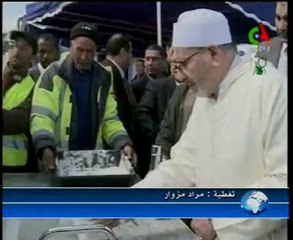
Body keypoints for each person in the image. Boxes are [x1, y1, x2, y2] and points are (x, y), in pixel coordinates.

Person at [134, 9, 287, 240]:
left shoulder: (268, 87)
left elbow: (282, 185)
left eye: (183, 64)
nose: (181, 75)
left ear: (213, 54)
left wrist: (222, 219)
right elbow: (183, 165)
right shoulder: (207, 96)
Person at [30, 22, 134, 173]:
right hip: (59, 160)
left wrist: (123, 143)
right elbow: (42, 116)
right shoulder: (53, 75)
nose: (84, 57)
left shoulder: (104, 77)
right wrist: (45, 146)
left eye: (89, 51)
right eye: (79, 50)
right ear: (70, 47)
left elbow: (110, 119)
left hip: (93, 163)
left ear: (96, 51)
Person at [133, 58, 186, 177]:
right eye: (174, 62)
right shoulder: (160, 87)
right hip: (165, 153)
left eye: (182, 62)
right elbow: (165, 129)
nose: (177, 66)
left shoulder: (202, 90)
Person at [2, 30, 38, 172]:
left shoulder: (35, 85)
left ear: (33, 56)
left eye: (24, 48)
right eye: (13, 46)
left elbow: (18, 121)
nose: (16, 52)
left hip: (16, 167)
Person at [102, 33, 137, 139]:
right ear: (122, 52)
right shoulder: (108, 73)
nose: (131, 56)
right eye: (130, 52)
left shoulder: (110, 71)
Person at [256, 2, 287, 78]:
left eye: (287, 19)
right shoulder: (264, 50)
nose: (281, 27)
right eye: (278, 18)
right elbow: (257, 83)